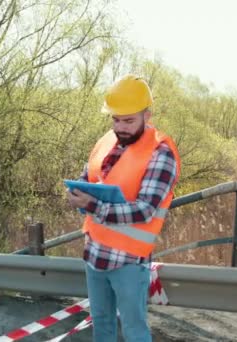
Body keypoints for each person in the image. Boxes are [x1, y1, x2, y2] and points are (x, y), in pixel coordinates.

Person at [66, 74, 181, 342]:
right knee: (102, 326)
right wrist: (76, 193)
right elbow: (88, 178)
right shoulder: (106, 142)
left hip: (129, 262)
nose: (121, 127)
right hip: (94, 254)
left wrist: (93, 204)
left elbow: (145, 210)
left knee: (134, 332)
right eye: (116, 119)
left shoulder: (161, 152)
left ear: (147, 115)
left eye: (129, 120)